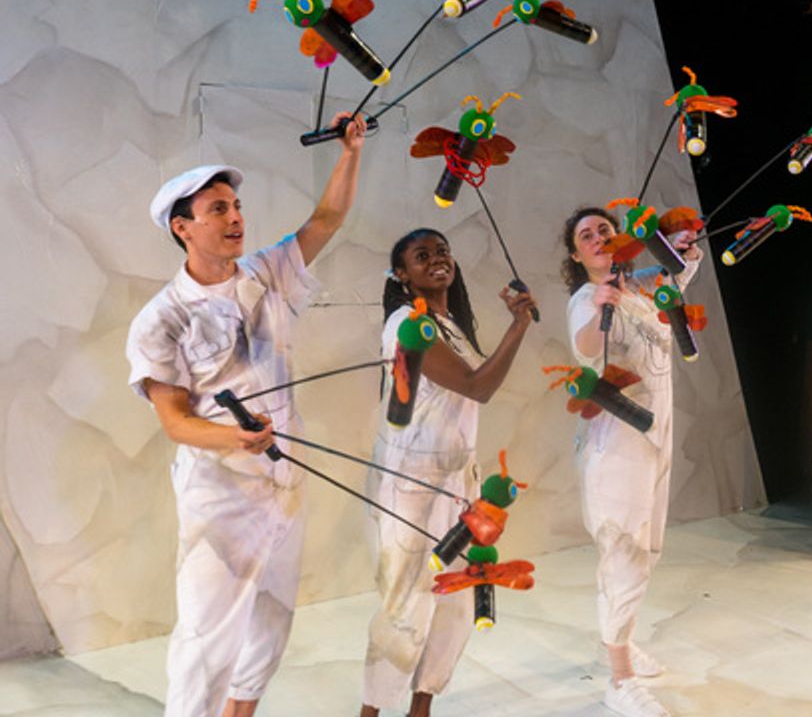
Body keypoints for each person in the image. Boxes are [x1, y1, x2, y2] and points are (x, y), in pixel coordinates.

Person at [125, 113, 367, 717]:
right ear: (183, 228)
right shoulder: (162, 318)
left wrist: (351, 152)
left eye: (235, 205)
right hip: (220, 493)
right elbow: (176, 423)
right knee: (208, 641)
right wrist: (234, 438)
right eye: (217, 210)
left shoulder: (266, 272)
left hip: (285, 478)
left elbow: (326, 220)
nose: (235, 218)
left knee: (272, 622)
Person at [360, 228, 537, 717]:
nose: (437, 259)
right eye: (422, 255)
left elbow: (469, 390)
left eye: (442, 251)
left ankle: (421, 709)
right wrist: (519, 325)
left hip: (459, 484)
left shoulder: (450, 323)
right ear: (402, 274)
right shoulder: (405, 322)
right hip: (411, 484)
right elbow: (476, 387)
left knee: (455, 603)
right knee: (406, 609)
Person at [561, 206, 702, 717]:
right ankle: (618, 680)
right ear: (576, 255)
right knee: (624, 550)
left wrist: (682, 240)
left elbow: (680, 268)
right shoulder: (585, 298)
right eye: (586, 235)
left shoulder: (641, 284)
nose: (598, 237)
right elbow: (585, 349)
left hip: (656, 436)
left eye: (604, 229)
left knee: (649, 547)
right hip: (616, 442)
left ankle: (621, 640)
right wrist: (602, 304)